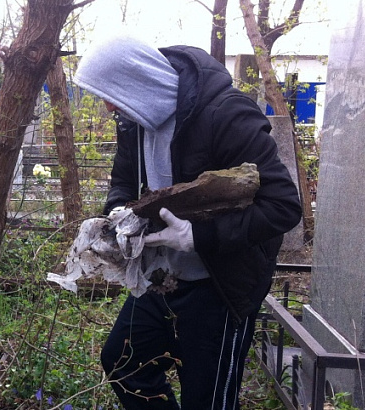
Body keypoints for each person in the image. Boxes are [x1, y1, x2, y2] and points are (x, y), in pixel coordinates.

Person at [71, 36, 302, 409]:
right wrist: (118, 217)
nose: (108, 105)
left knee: (206, 400)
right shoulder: (135, 118)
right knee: (124, 363)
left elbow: (283, 207)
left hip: (221, 285)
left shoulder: (226, 115)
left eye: (110, 94)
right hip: (161, 280)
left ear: (136, 80)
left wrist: (200, 236)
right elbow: (125, 178)